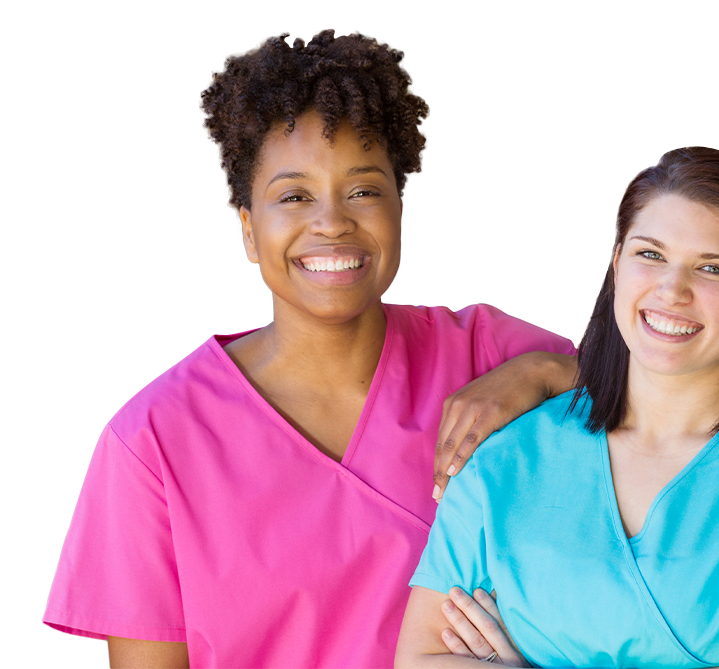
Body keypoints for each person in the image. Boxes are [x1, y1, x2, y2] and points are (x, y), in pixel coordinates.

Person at [41, 31, 578, 669]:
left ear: (399, 211)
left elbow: (700, 399)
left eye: (364, 190)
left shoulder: (487, 355)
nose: (331, 221)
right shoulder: (154, 441)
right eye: (294, 195)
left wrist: (548, 371)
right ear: (248, 231)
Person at [397, 147, 719, 668]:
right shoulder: (505, 457)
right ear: (617, 264)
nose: (673, 290)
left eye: (713, 268)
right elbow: (420, 658)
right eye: (650, 255)